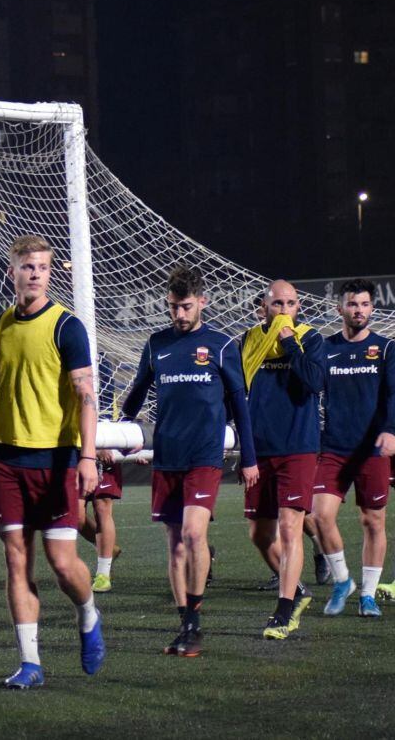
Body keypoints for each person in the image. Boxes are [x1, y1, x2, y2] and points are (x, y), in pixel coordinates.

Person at [0, 235, 105, 689]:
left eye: (42, 267)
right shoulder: (3, 324)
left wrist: (87, 457)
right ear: (12, 271)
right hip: (8, 458)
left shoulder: (67, 327)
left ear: (50, 273)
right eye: (27, 266)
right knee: (17, 561)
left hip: (56, 460)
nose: (35, 273)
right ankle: (30, 663)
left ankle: (88, 612)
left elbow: (86, 396)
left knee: (61, 562)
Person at [121, 265, 258, 657]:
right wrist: (117, 434)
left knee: (193, 535)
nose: (178, 315)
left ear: (202, 302)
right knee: (176, 545)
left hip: (204, 456)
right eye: (172, 307)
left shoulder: (220, 346)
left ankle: (195, 622)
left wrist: (249, 459)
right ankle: (183, 623)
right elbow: (136, 393)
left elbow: (240, 407)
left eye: (185, 307)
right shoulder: (156, 344)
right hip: (167, 455)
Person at [239, 280, 323, 639]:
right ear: (263, 307)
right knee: (259, 535)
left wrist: (289, 341)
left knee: (290, 528)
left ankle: (284, 609)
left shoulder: (310, 338)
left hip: (298, 448)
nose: (284, 310)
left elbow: (313, 382)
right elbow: (237, 390)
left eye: (290, 303)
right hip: (260, 449)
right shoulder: (248, 341)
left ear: (298, 307)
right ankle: (298, 591)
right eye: (277, 304)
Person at [311, 279, 395, 617]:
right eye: (351, 304)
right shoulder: (326, 347)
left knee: (373, 521)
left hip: (371, 449)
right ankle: (343, 580)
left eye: (363, 304)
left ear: (372, 309)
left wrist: (390, 430)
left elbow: (393, 394)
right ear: (339, 308)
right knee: (319, 516)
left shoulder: (386, 348)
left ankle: (368, 595)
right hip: (333, 447)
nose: (357, 310)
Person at [80, 452, 123, 592]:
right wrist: (94, 450)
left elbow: (123, 429)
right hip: (78, 456)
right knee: (75, 516)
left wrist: (132, 450)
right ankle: (110, 549)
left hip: (106, 459)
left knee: (102, 506)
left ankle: (103, 574)